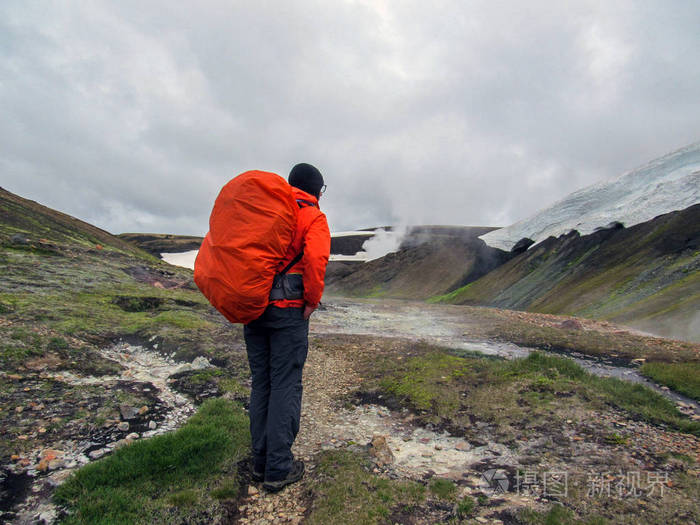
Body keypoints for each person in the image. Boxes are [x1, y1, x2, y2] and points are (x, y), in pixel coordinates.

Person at [243, 163, 331, 492]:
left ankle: (260, 462)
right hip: (288, 311)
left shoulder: (264, 210)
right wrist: (311, 300)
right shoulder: (312, 216)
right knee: (285, 384)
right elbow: (316, 259)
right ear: (317, 190)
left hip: (253, 308)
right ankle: (278, 468)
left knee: (262, 382)